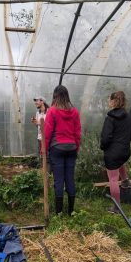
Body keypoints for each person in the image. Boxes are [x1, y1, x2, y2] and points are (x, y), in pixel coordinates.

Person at [44, 85, 81, 215]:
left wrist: (44, 149)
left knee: (59, 180)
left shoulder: (52, 111)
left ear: (55, 96)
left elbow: (47, 132)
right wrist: (76, 148)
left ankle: (59, 212)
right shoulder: (74, 111)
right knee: (70, 178)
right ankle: (71, 211)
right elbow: (77, 132)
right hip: (71, 148)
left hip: (57, 148)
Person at [100, 91, 131, 214]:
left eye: (109, 99)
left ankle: (117, 207)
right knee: (119, 161)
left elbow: (106, 137)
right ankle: (125, 181)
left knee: (113, 179)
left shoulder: (110, 118)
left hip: (113, 153)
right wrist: (124, 143)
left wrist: (103, 147)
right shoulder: (129, 116)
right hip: (125, 151)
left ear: (114, 101)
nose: (108, 101)